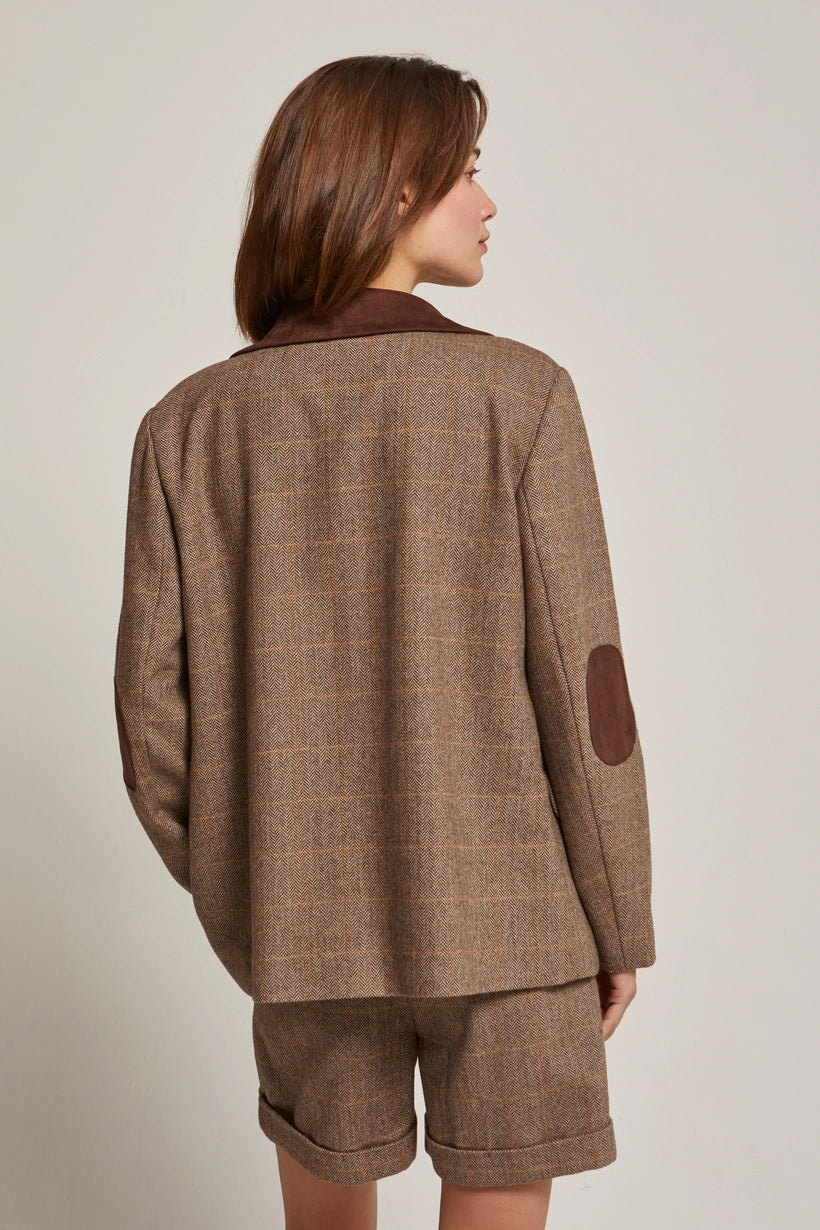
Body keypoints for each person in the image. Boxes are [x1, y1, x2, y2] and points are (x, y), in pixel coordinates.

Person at [113, 53, 656, 1230]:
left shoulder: (187, 428)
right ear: (395, 188)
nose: (488, 201)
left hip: (303, 933)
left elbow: (154, 729)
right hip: (516, 924)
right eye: (466, 172)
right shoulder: (521, 396)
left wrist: (260, 887)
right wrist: (618, 920)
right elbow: (589, 696)